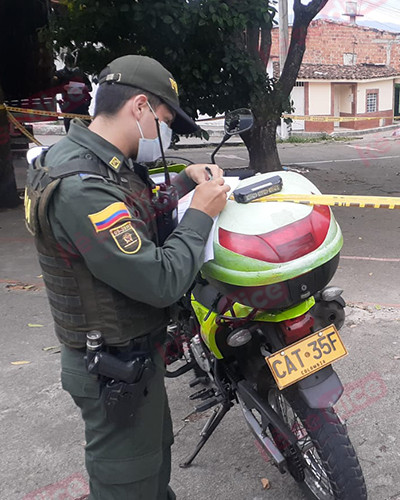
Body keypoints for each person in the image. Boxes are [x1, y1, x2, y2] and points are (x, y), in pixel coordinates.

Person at [24, 55, 231, 499]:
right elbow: (160, 280)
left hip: (133, 357)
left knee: (152, 465)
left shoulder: (90, 160)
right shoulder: (81, 186)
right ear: (139, 107)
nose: (166, 132)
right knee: (130, 483)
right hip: (113, 368)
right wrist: (200, 215)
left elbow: (132, 210)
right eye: (164, 120)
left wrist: (182, 180)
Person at [56, 67, 93, 133]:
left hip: (82, 107)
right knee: (70, 133)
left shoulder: (80, 73)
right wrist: (63, 88)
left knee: (87, 132)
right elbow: (53, 88)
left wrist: (81, 87)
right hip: (68, 107)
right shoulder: (60, 74)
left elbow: (89, 87)